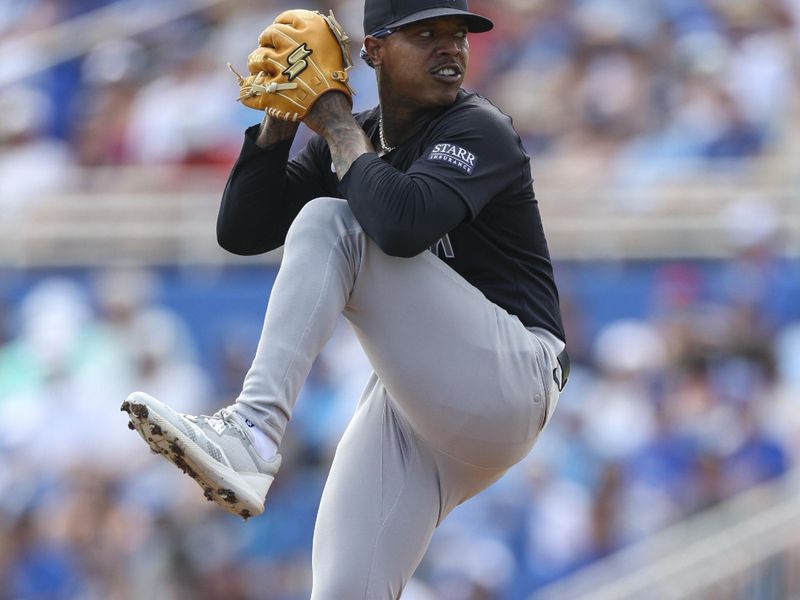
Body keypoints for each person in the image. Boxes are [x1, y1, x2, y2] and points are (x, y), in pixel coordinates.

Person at [122, 0, 569, 596]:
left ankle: (253, 430)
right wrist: (281, 119)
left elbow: (402, 225)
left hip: (515, 378)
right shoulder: (359, 134)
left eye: (458, 35)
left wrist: (331, 117)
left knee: (332, 223)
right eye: (426, 34)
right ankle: (251, 439)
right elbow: (243, 232)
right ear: (374, 50)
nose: (450, 49)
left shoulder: (477, 127)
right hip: (421, 408)